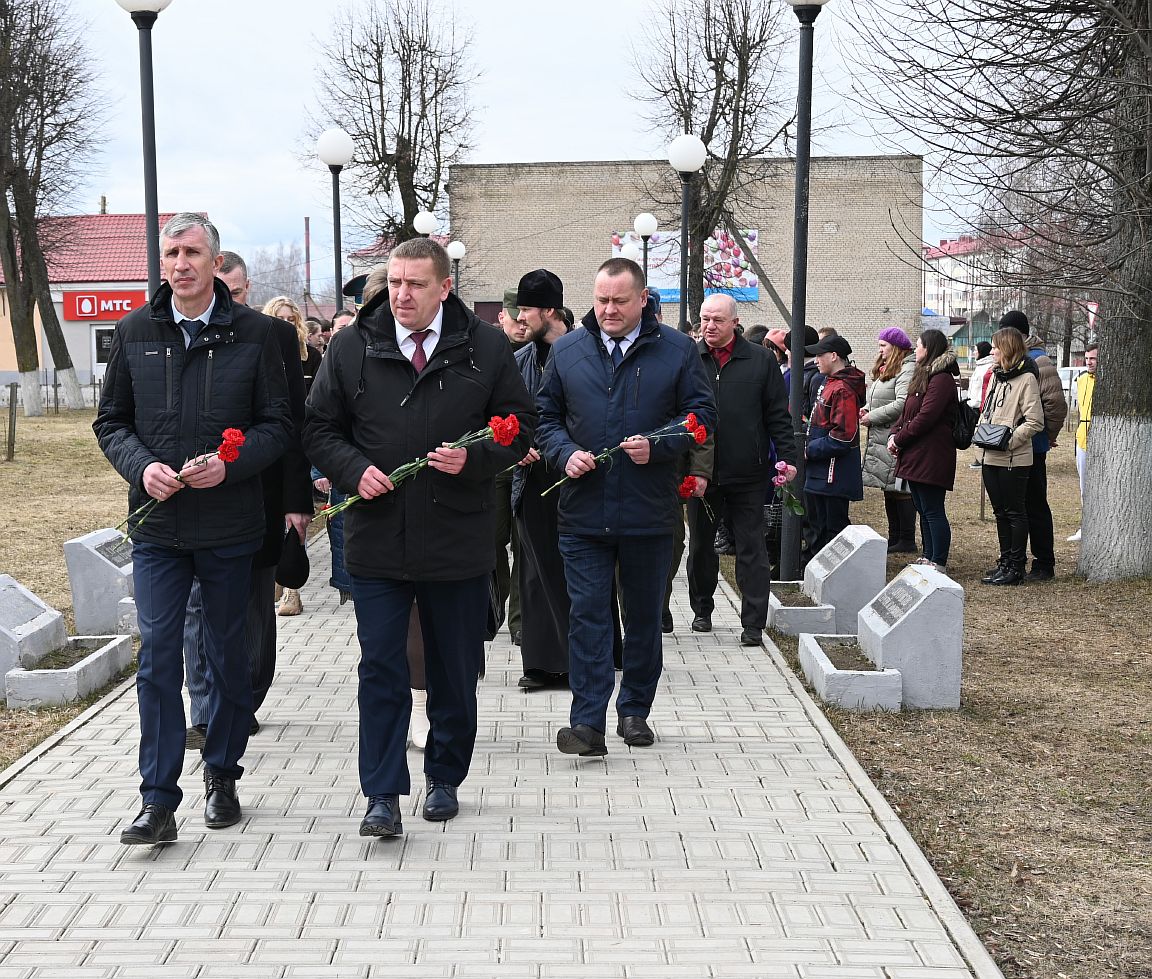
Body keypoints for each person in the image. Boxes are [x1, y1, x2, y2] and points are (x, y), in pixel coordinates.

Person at [303, 237, 536, 836]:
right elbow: (319, 427)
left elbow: (518, 427)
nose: (401, 294)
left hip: (457, 537)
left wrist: (476, 459)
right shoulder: (354, 345)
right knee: (380, 667)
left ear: (443, 288)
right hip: (377, 539)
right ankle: (381, 793)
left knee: (454, 667)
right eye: (394, 282)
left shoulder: (484, 347)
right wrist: (354, 471)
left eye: (414, 284)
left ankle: (444, 776)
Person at [94, 213, 292, 845]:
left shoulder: (256, 336)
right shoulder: (134, 331)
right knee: (157, 660)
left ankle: (223, 774)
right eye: (171, 253)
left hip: (231, 528)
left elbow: (277, 425)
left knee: (229, 656)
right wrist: (142, 466)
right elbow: (111, 422)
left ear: (215, 262)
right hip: (158, 530)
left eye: (193, 252)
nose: (180, 263)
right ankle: (157, 800)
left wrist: (229, 465)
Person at [535, 257, 714, 758]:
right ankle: (587, 723)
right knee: (588, 618)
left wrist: (658, 445)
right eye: (600, 300)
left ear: (641, 300)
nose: (608, 309)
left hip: (647, 512)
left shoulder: (676, 351)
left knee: (641, 619)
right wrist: (564, 453)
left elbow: (702, 416)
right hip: (583, 513)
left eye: (618, 300)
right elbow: (545, 416)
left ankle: (634, 710)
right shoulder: (568, 350)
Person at [184, 252, 313, 751]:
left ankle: (247, 695)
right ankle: (205, 710)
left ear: (246, 289)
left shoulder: (272, 335)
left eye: (234, 294)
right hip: (195, 498)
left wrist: (296, 503)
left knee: (254, 608)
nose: (224, 301)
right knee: (199, 608)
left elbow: (292, 426)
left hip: (260, 494)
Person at [685, 294, 796, 648]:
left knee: (752, 548)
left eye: (717, 320)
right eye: (704, 319)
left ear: (735, 322)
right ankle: (702, 609)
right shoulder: (689, 358)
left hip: (748, 472)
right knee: (702, 546)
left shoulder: (760, 360)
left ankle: (752, 623)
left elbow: (778, 414)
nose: (709, 326)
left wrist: (789, 457)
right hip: (701, 473)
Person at [510, 269, 578, 688]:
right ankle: (540, 663)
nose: (520, 319)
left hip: (573, 477)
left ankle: (580, 660)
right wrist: (517, 443)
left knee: (574, 571)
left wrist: (556, 446)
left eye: (526, 310)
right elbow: (504, 412)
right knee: (533, 571)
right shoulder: (518, 359)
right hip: (530, 479)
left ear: (549, 310)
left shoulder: (581, 355)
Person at [263, 296, 323, 617]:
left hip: (301, 440)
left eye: (291, 318)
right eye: (279, 318)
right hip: (270, 443)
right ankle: (273, 580)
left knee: (294, 523)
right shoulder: (260, 352)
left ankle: (291, 592)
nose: (286, 323)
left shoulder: (309, 356)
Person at [977, 327, 1045, 585]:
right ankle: (1005, 561)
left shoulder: (1026, 379)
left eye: (996, 346)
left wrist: (1009, 441)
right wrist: (981, 434)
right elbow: (987, 411)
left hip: (1013, 458)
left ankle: (1016, 567)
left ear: (1007, 348)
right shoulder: (996, 376)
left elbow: (1035, 421)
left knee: (1015, 512)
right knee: (1000, 513)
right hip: (989, 454)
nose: (992, 351)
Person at [888, 328, 958, 570]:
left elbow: (926, 416)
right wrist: (894, 434)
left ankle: (938, 560)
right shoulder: (923, 375)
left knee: (932, 508)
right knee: (921, 507)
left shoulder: (942, 379)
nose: (915, 349)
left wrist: (900, 439)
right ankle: (928, 555)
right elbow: (908, 410)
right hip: (916, 453)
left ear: (928, 349)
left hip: (932, 454)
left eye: (918, 345)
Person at [1011, 318, 1069, 582]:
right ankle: (1015, 559)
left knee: (1035, 505)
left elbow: (1055, 403)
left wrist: (1047, 435)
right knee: (1016, 506)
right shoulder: (1014, 360)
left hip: (1032, 446)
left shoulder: (1039, 361)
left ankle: (1044, 562)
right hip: (1012, 447)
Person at [802, 334, 866, 558]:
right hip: (821, 472)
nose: (815, 360)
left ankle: (832, 574)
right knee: (818, 524)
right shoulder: (829, 383)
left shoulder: (842, 389)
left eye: (820, 355)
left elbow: (842, 437)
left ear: (834, 356)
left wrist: (808, 450)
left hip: (832, 475)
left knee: (833, 529)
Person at [861, 327, 917, 554]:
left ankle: (906, 538)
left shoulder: (907, 369)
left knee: (900, 488)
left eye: (883, 345)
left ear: (895, 347)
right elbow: (878, 396)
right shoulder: (889, 368)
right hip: (881, 434)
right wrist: (866, 408)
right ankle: (895, 536)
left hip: (893, 434)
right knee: (888, 487)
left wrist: (872, 416)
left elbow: (902, 402)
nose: (880, 350)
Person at [1068, 343, 1097, 541]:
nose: (1089, 362)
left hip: (1100, 434)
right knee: (1084, 485)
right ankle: (1086, 525)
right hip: (1083, 436)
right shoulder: (1081, 380)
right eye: (1087, 358)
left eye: (1093, 358)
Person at [966, 340, 994, 470]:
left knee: (980, 432)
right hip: (973, 404)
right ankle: (978, 457)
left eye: (976, 350)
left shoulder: (989, 367)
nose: (974, 352)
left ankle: (980, 458)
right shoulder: (979, 366)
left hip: (980, 405)